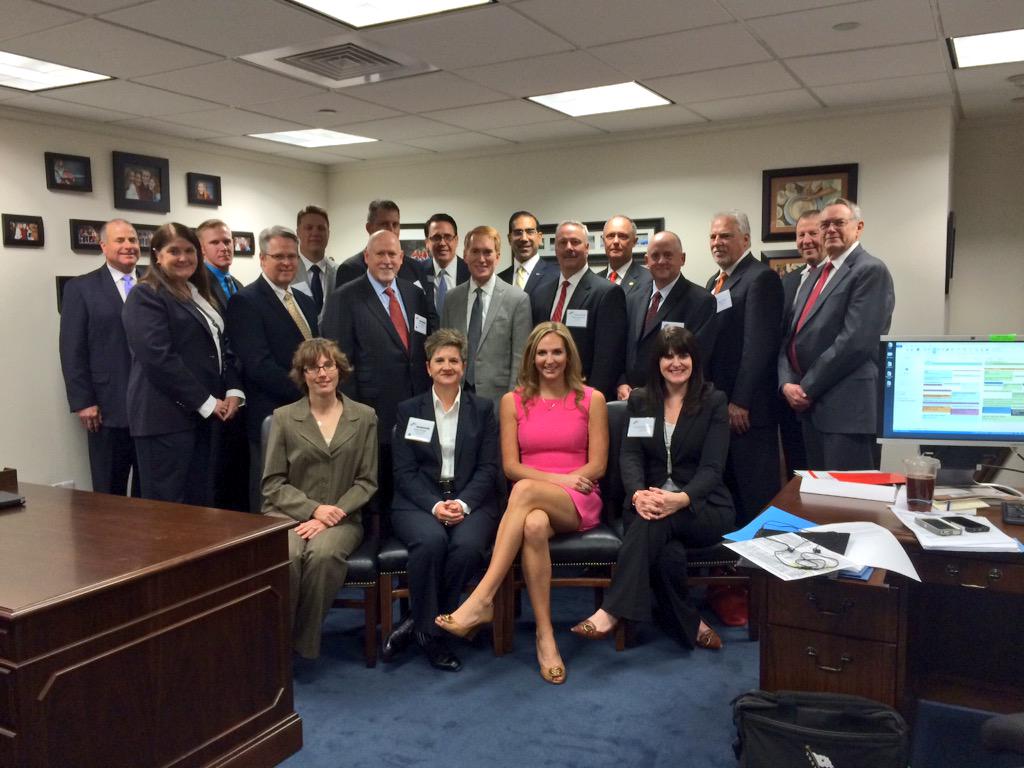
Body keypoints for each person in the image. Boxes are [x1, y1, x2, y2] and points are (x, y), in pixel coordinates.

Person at [435, 323, 609, 685]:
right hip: (532, 501)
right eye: (541, 353)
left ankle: (483, 597)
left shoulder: (591, 399)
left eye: (557, 352)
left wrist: (561, 480)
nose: (549, 360)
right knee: (531, 524)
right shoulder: (512, 402)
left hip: (578, 496)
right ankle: (545, 637)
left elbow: (598, 465)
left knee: (524, 491)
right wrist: (554, 479)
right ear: (530, 358)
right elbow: (511, 466)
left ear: (569, 356)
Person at [573, 327, 734, 651]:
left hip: (703, 507)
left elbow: (712, 469)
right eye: (668, 356)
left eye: (683, 355)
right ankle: (690, 622)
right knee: (667, 553)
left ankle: (612, 610)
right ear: (657, 362)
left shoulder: (713, 401)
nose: (676, 363)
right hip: (647, 500)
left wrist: (681, 499)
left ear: (694, 360)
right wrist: (636, 494)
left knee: (651, 523)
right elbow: (630, 456)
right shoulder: (641, 400)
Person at [385, 330, 501, 672]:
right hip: (418, 500)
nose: (447, 366)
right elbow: (404, 472)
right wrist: (436, 506)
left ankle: (422, 625)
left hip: (472, 499)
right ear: (428, 367)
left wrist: (463, 504)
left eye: (454, 360)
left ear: (464, 367)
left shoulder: (483, 409)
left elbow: (489, 467)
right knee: (431, 540)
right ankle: (433, 635)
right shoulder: (409, 410)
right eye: (440, 360)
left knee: (466, 548)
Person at [262, 338, 378, 660]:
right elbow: (272, 483)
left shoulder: (365, 416)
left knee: (324, 556)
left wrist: (332, 512)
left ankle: (296, 646)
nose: (322, 373)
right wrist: (313, 509)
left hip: (343, 517)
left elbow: (367, 482)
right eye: (313, 368)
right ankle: (277, 643)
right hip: (288, 515)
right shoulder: (284, 417)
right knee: (287, 556)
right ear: (303, 375)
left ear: (339, 369)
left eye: (328, 365)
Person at [122, 222, 244, 505]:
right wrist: (207, 401)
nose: (183, 258)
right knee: (170, 510)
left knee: (200, 502)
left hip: (202, 417)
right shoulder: (145, 295)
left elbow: (220, 347)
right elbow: (158, 358)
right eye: (173, 251)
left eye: (189, 250)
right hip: (164, 420)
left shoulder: (196, 292)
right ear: (156, 255)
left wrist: (233, 391)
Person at [704, 210, 783, 627]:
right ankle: (728, 585)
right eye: (713, 236)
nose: (718, 242)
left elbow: (759, 347)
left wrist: (741, 401)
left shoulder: (760, 279)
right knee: (729, 502)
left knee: (756, 504)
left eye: (726, 235)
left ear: (746, 239)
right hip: (720, 413)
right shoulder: (715, 283)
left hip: (747, 415)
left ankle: (761, 597)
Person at [778, 198, 895, 470]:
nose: (830, 230)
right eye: (825, 225)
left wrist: (805, 387)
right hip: (811, 409)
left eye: (838, 223)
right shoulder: (817, 275)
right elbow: (790, 337)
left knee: (848, 503)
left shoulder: (870, 270)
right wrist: (786, 383)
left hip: (847, 410)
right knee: (818, 501)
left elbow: (855, 342)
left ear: (858, 227)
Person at [321, 229, 433, 505]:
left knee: (413, 478)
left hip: (416, 406)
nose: (387, 260)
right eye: (380, 253)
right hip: (372, 409)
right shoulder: (345, 298)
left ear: (402, 258)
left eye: (392, 254)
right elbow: (339, 362)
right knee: (379, 486)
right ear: (367, 256)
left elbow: (426, 343)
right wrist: (353, 413)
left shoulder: (413, 293)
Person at [225, 225, 318, 513]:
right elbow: (258, 365)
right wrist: (311, 390)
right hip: (272, 414)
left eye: (292, 256)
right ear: (262, 259)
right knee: (270, 496)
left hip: (309, 413)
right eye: (279, 256)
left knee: (303, 489)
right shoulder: (246, 302)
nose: (287, 263)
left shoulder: (304, 300)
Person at [59, 219, 141, 496]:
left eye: (133, 240)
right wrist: (84, 402)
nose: (128, 246)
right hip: (106, 407)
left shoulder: (155, 285)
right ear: (103, 246)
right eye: (120, 240)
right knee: (109, 489)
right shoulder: (81, 288)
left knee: (152, 491)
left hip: (153, 407)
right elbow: (72, 348)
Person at [531, 220, 627, 400]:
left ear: (587, 247)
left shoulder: (607, 293)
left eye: (575, 242)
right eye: (562, 243)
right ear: (555, 249)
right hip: (545, 395)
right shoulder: (541, 293)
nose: (569, 247)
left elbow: (607, 359)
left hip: (584, 396)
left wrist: (589, 400)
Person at [619, 230, 717, 400]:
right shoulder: (633, 298)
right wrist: (621, 382)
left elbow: (700, 356)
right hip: (631, 397)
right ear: (646, 260)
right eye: (655, 255)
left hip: (675, 399)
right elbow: (621, 347)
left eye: (668, 255)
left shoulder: (702, 301)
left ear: (682, 259)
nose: (661, 261)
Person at [441, 225, 531, 407]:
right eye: (475, 251)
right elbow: (444, 349)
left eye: (488, 252)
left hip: (498, 401)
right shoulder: (452, 298)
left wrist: (513, 404)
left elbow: (520, 360)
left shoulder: (517, 299)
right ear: (465, 255)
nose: (481, 259)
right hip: (456, 398)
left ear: (497, 257)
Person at [778, 210, 824, 475]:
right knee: (797, 479)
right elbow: (783, 339)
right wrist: (786, 383)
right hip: (790, 400)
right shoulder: (790, 281)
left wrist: (808, 387)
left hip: (829, 398)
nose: (806, 240)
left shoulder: (841, 279)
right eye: (800, 234)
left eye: (812, 233)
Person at [335, 199, 421, 287]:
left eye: (395, 225)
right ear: (369, 228)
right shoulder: (350, 270)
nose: (391, 230)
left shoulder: (414, 267)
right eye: (384, 224)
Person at [415, 213, 469, 314]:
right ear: (427, 242)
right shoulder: (417, 271)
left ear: (456, 240)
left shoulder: (470, 272)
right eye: (436, 237)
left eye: (448, 237)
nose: (442, 243)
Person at [291, 205, 336, 319]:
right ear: (298, 233)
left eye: (321, 228)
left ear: (328, 233)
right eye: (309, 228)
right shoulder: (287, 272)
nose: (315, 233)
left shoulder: (341, 273)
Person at [498, 210, 557, 298]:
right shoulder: (499, 280)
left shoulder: (557, 276)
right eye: (518, 232)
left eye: (530, 232)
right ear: (509, 239)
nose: (524, 238)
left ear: (540, 237)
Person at [600, 215, 652, 297]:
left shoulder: (650, 279)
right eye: (611, 236)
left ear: (634, 242)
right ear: (603, 240)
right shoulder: (594, 280)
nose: (616, 241)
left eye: (622, 236)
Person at [198, 219, 243, 313]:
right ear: (201, 248)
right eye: (215, 242)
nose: (224, 248)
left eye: (227, 242)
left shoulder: (238, 285)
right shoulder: (197, 285)